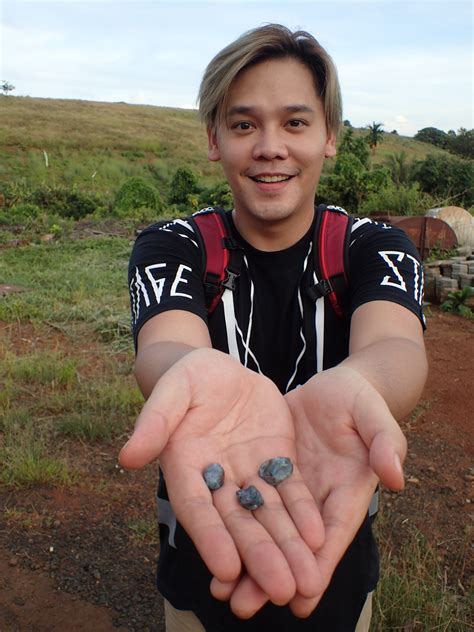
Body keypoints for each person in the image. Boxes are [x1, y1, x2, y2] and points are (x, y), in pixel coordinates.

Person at [120, 24, 428, 631]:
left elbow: (396, 345)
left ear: (329, 135)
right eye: (243, 125)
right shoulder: (172, 245)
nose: (269, 146)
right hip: (202, 576)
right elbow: (165, 344)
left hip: (334, 569)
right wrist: (190, 372)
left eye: (295, 122)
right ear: (214, 139)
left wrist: (362, 383)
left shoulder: (374, 246)